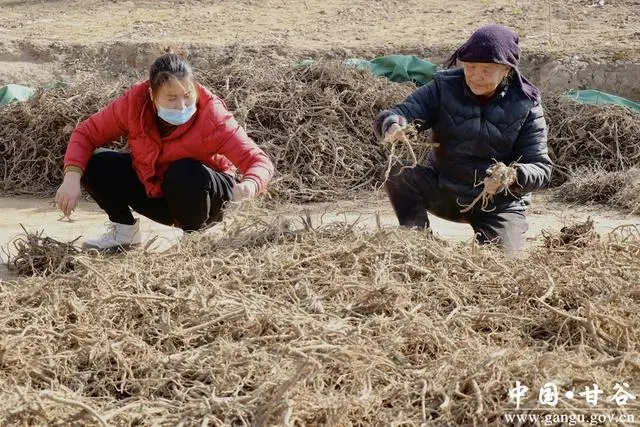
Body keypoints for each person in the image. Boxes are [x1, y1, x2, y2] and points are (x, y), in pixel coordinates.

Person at [55, 49, 274, 251]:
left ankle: (193, 241)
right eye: (171, 99)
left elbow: (258, 160)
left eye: (187, 96)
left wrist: (250, 183)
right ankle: (125, 232)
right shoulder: (134, 104)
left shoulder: (213, 116)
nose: (181, 106)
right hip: (157, 187)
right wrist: (71, 178)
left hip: (207, 195)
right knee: (94, 163)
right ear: (152, 95)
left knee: (183, 170)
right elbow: (86, 133)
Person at [374, 24, 552, 251]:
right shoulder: (443, 87)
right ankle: (416, 242)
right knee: (399, 170)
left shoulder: (526, 104)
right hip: (444, 188)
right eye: (471, 66)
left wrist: (512, 176)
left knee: (503, 268)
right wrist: (393, 124)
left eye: (487, 70)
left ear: (507, 70)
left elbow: (541, 168)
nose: (476, 76)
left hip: (497, 203)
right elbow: (402, 112)